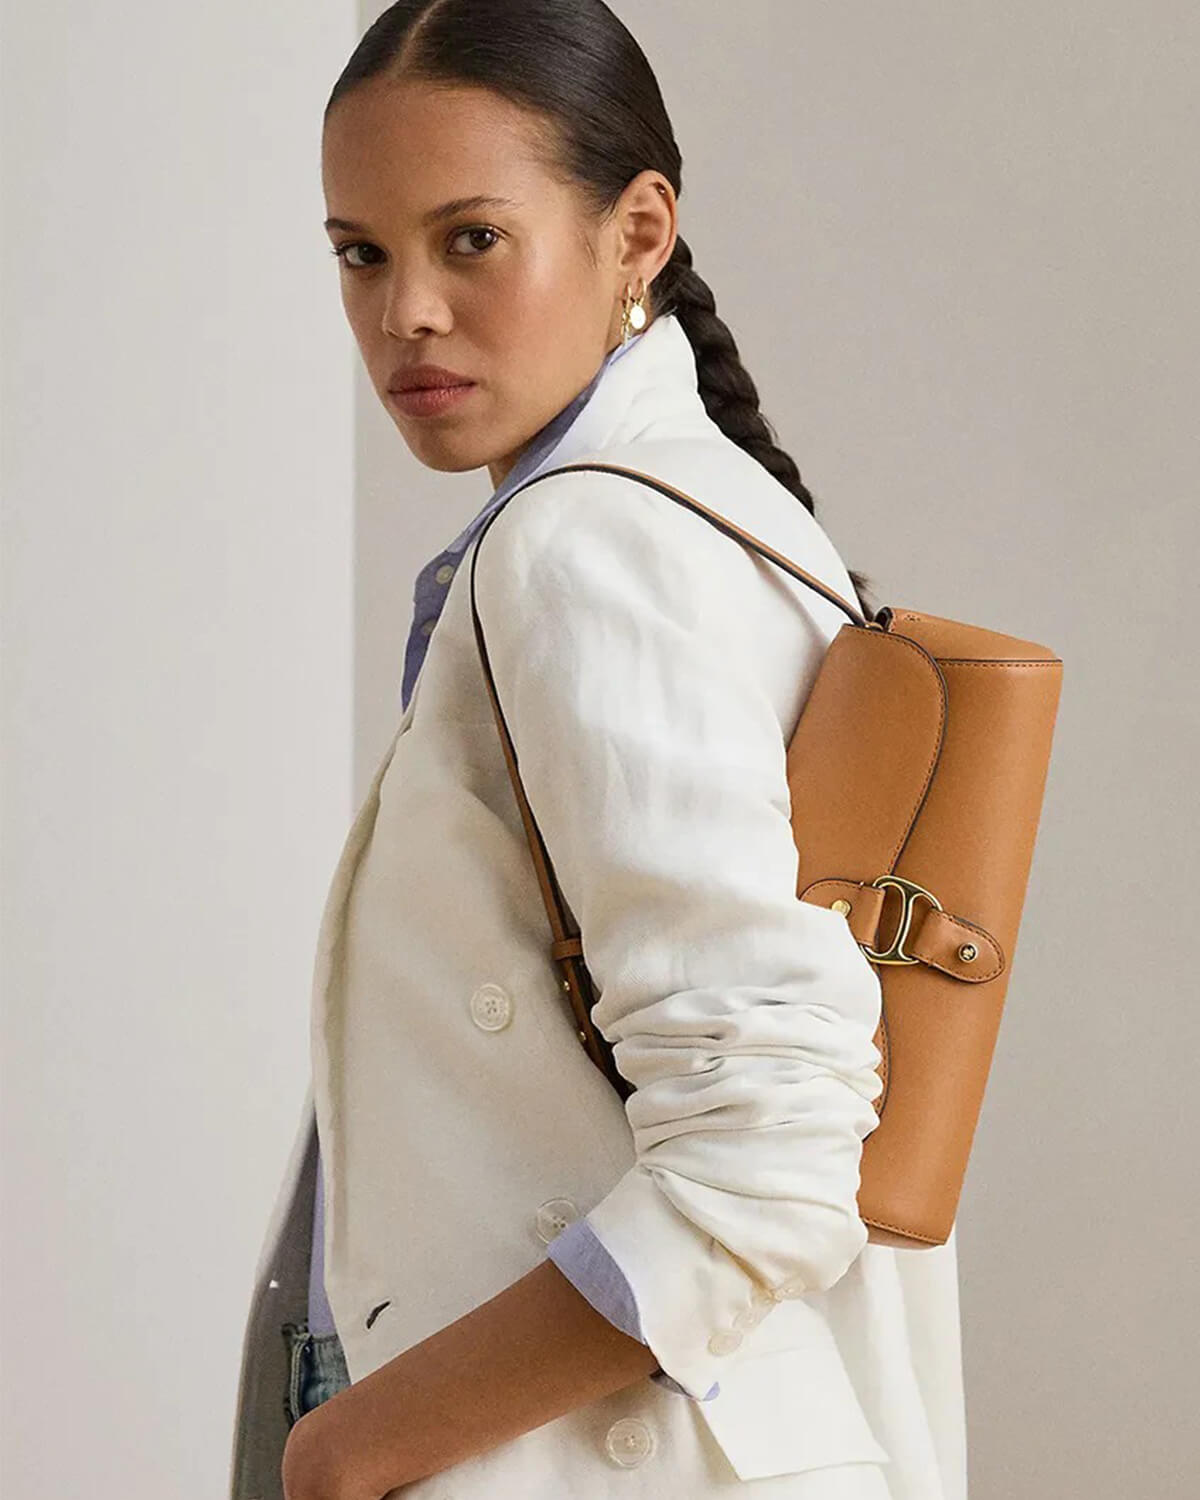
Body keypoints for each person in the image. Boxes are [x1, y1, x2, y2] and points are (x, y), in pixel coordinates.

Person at [228, 3, 967, 1497]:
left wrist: (352, 1445)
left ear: (637, 233)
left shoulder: (588, 547)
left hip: (554, 1445)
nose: (406, 312)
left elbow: (770, 1148)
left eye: (472, 240)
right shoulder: (713, 511)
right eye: (361, 253)